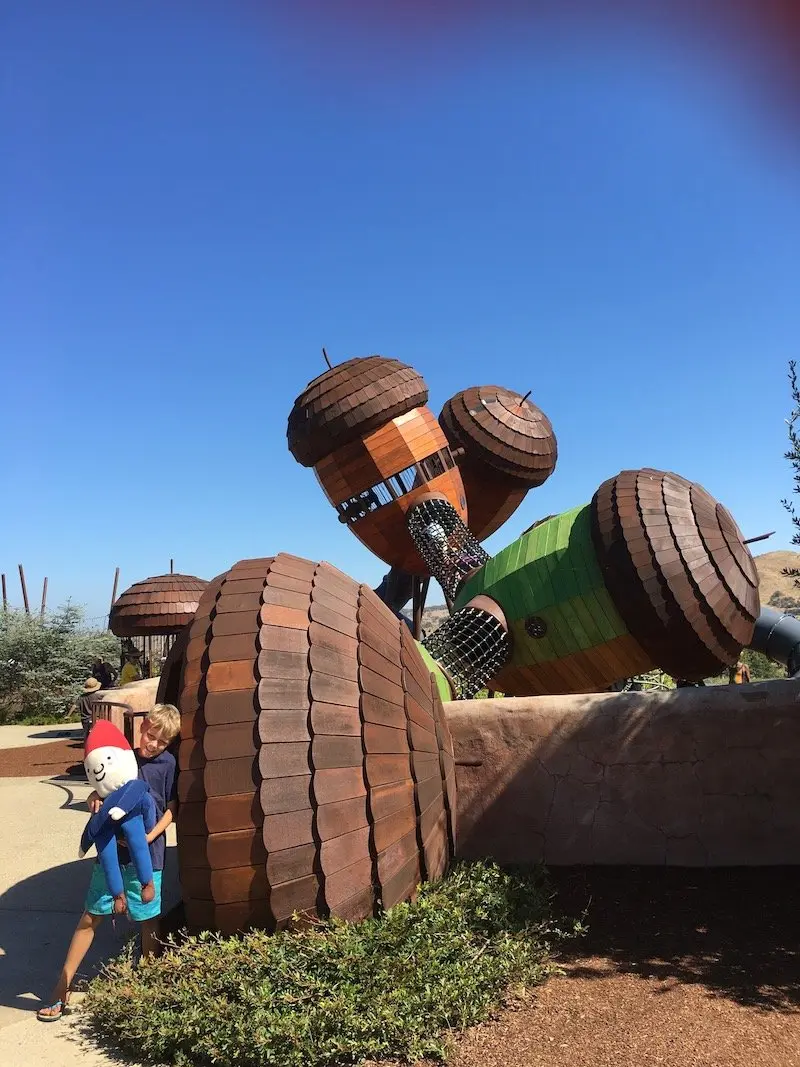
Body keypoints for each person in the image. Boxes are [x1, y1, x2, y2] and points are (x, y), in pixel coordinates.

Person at [37, 703, 180, 1022]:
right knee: (90, 918)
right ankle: (61, 991)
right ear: (143, 728)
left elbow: (172, 808)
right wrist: (93, 800)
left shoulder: (168, 764)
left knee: (147, 920)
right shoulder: (123, 756)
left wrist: (148, 836)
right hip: (112, 854)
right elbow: (98, 791)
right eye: (152, 736)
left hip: (148, 855)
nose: (154, 745)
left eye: (162, 742)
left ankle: (148, 984)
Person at [77, 677, 102, 742]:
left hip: (84, 719)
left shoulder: (81, 697)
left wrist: (68, 715)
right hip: (95, 718)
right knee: (97, 734)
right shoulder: (97, 696)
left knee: (86, 735)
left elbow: (74, 706)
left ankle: (87, 746)